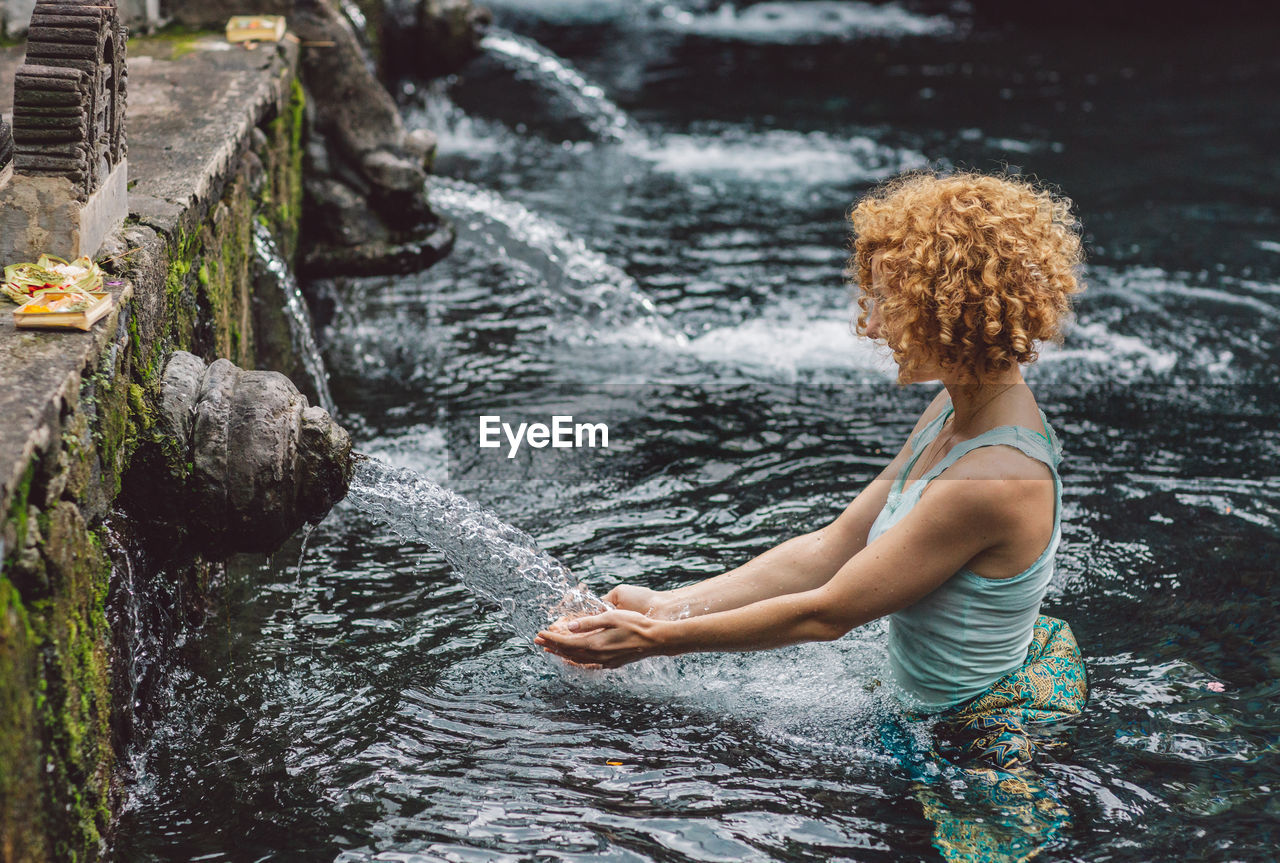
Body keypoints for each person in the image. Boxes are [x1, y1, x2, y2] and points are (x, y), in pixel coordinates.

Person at [536, 170, 1089, 771]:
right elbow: (835, 546)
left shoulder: (996, 480)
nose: (872, 326)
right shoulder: (958, 408)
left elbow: (828, 612)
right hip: (932, 708)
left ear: (952, 309)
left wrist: (657, 642)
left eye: (888, 304)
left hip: (963, 743)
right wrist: (665, 606)